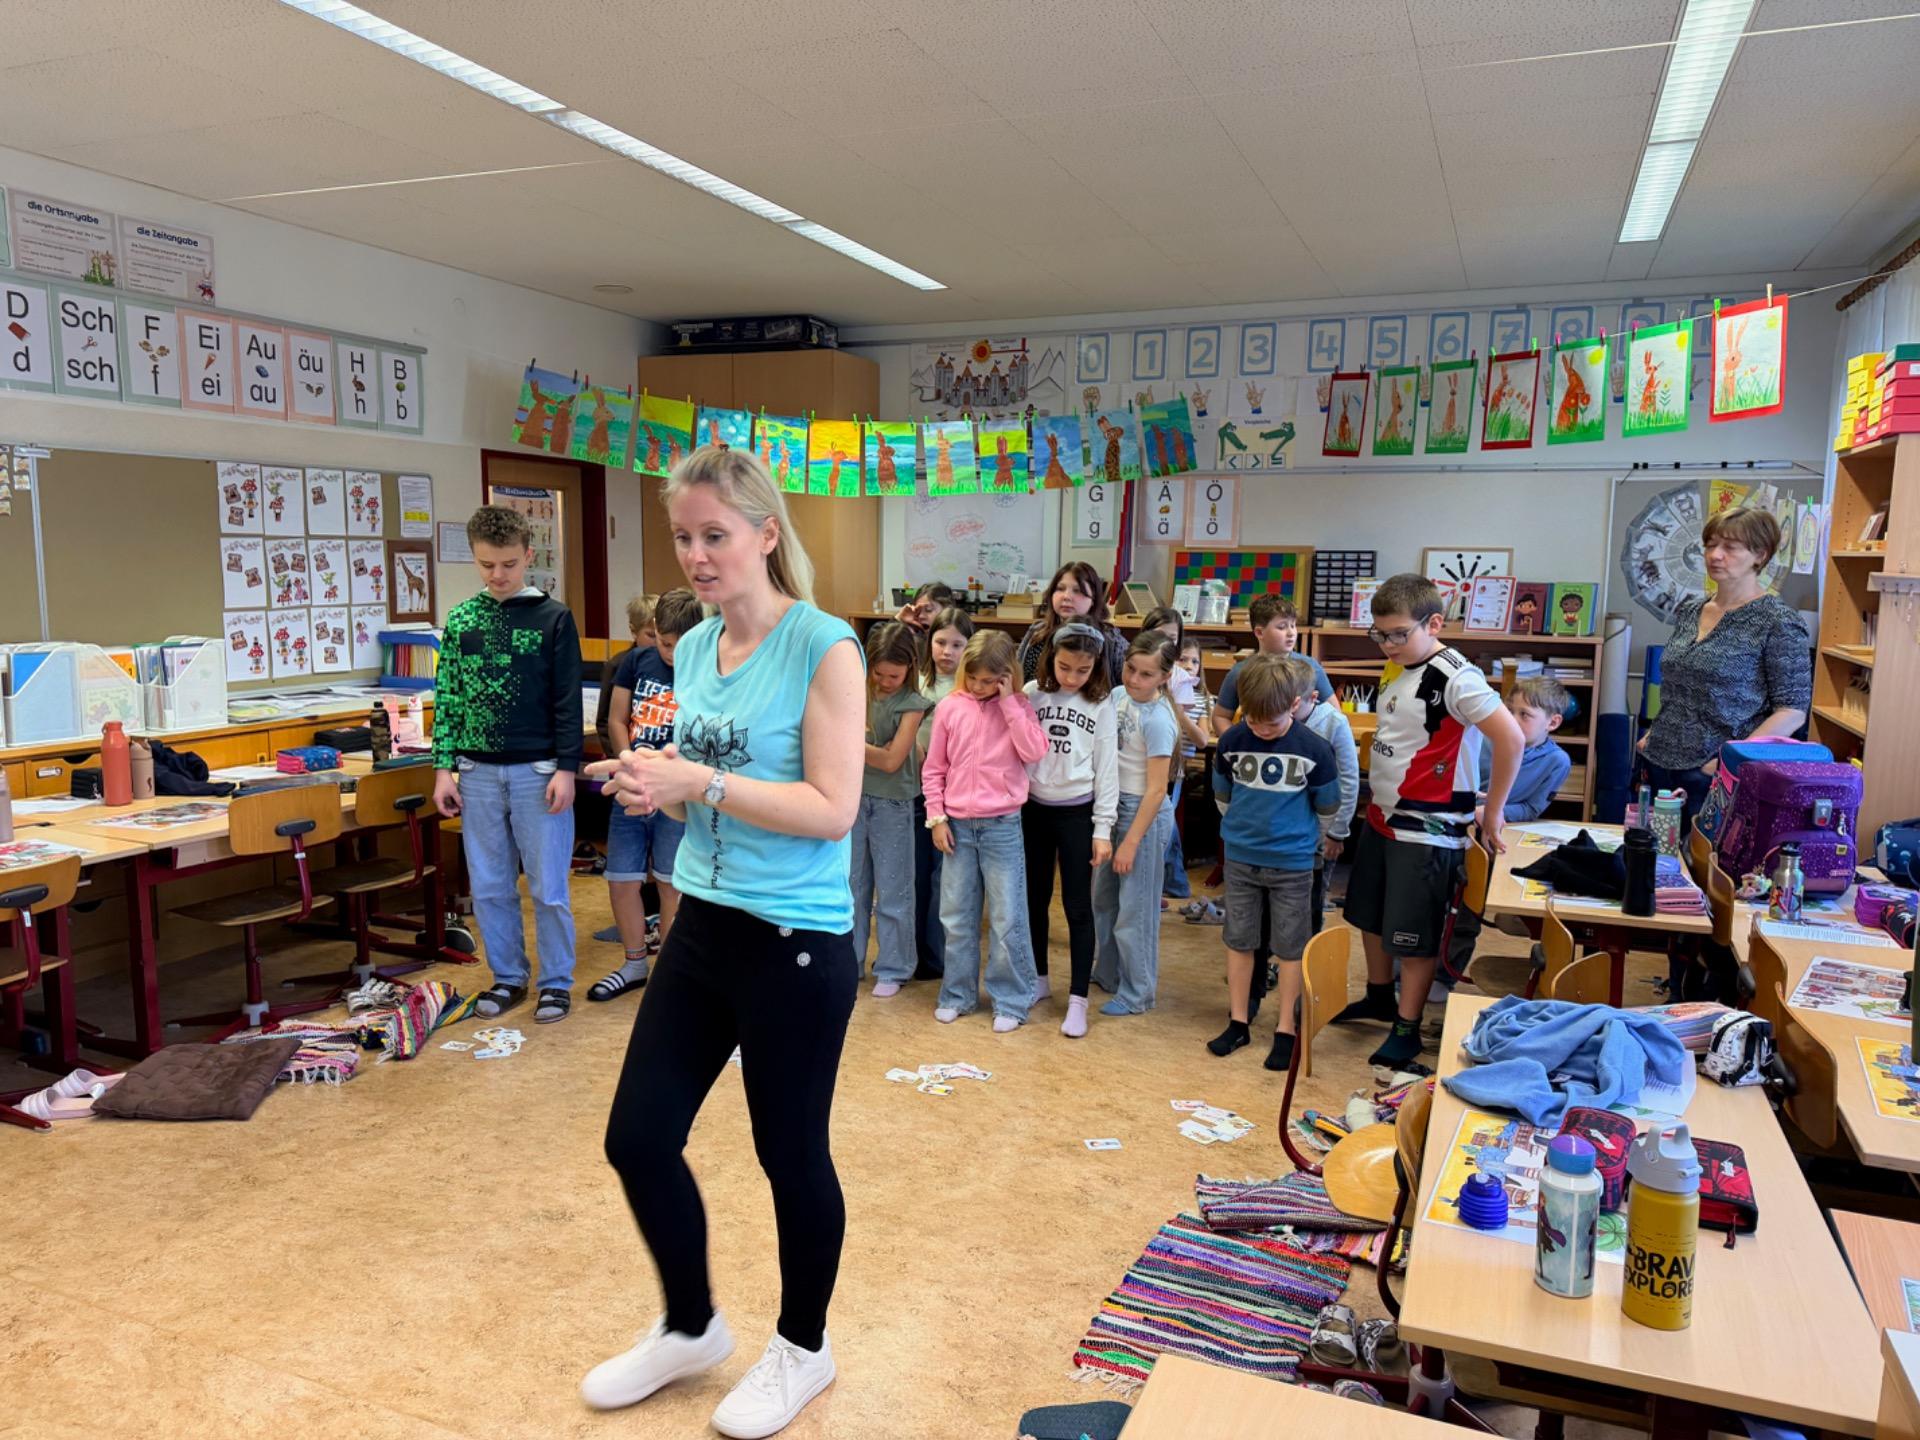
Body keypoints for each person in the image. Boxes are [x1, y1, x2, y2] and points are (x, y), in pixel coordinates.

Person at [581, 446, 865, 1438]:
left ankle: (804, 1347)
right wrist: (647, 776)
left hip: (795, 940)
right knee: (637, 1138)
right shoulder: (694, 647)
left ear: (766, 533)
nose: (697, 555)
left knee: (790, 1154)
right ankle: (692, 1325)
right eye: (682, 537)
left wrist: (694, 781)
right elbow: (681, 771)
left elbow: (832, 808)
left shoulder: (825, 647)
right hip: (701, 924)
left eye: (716, 535)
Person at [1336, 574, 1523, 1070]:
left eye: (1399, 634)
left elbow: (1511, 739)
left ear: (1434, 623)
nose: (1388, 644)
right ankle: (1379, 996)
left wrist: (1494, 810)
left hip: (1427, 830)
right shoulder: (1397, 663)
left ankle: (1407, 1027)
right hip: (1383, 817)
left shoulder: (1457, 678)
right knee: (1370, 916)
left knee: (1413, 935)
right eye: (1379, 634)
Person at [432, 504, 582, 1025]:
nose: (498, 575)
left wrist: (567, 768)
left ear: (528, 556)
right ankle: (508, 977)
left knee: (548, 887)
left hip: (538, 771)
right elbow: (448, 698)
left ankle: (556, 982)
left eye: (509, 565)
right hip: (476, 773)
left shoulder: (553, 618)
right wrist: (443, 768)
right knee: (491, 885)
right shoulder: (462, 620)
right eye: (486, 565)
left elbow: (566, 700)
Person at [1637, 507, 1811, 831]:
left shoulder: (1778, 621)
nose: (1715, 555)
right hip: (1658, 761)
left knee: (1704, 859)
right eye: (1710, 545)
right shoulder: (1691, 610)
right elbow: (1681, 683)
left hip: (1713, 772)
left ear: (1760, 555)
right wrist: (1653, 734)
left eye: (1730, 547)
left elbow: (1792, 711)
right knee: (1654, 856)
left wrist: (1731, 761)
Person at [1208, 654, 1339, 1069]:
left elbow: (1328, 805)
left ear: (1296, 704)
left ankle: (1286, 1028)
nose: (1262, 730)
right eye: (1253, 721)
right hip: (1242, 859)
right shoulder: (1232, 740)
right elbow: (1222, 794)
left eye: (1273, 722)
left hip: (1293, 864)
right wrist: (1243, 830)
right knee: (1239, 940)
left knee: (1290, 946)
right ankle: (1238, 1022)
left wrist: (1301, 839)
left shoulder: (1314, 748)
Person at [922, 630, 1048, 1030]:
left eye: (989, 681)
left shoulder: (1019, 707)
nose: (979, 687)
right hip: (956, 826)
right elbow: (934, 768)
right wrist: (937, 817)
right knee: (956, 916)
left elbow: (1034, 751)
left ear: (1007, 676)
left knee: (1007, 917)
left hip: (1002, 827)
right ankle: (957, 995)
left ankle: (1010, 1000)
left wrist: (1009, 703)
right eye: (974, 678)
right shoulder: (950, 707)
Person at [589, 588, 703, 1003]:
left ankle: (669, 974)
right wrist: (628, 763)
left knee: (672, 884)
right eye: (664, 643)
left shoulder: (705, 669)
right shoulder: (636, 661)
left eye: (679, 646)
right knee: (622, 879)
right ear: (653, 631)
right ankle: (635, 963)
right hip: (632, 788)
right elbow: (617, 720)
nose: (670, 653)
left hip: (677, 795)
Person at [1444, 678, 1576, 982]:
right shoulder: (1484, 738)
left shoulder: (1557, 762)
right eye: (1509, 710)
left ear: (1553, 722)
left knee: (1467, 913)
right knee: (1432, 905)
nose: (1512, 720)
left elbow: (1530, 809)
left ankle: (1444, 977)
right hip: (1453, 828)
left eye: (1524, 714)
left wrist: (1493, 811)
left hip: (1491, 841)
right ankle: (1407, 971)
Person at [1022, 623, 1118, 1038]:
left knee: (1078, 907)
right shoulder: (1032, 693)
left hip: (1078, 814)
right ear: (1050, 659)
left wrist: (1103, 829)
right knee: (1034, 899)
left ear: (1096, 667)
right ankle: (1039, 979)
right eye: (1064, 667)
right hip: (1033, 810)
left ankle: (1078, 998)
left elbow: (1107, 769)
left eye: (1083, 670)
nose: (1072, 677)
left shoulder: (1102, 703)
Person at [1090, 634, 1181, 1016]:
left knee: (1135, 909)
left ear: (1164, 677)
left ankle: (1137, 992)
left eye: (1146, 674)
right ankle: (1108, 972)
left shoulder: (1159, 720)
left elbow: (1157, 790)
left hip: (1141, 813)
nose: (1133, 679)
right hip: (1112, 806)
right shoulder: (1116, 696)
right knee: (1103, 899)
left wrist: (1130, 842)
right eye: (1130, 669)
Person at [854, 622, 932, 997]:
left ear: (909, 669)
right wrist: (869, 749)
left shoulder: (912, 704)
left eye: (894, 676)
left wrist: (850, 743)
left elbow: (891, 761)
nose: (885, 682)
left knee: (893, 888)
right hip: (854, 797)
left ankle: (894, 967)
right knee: (852, 886)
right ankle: (850, 961)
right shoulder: (859, 691)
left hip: (894, 804)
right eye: (879, 674)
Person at [592, 596, 661, 949]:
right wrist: (624, 761)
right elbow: (608, 721)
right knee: (629, 864)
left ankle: (656, 920)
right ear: (634, 632)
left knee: (663, 864)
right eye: (650, 635)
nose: (658, 643)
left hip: (662, 782)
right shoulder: (622, 665)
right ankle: (636, 928)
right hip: (626, 774)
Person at [911, 608, 974, 982]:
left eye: (956, 644)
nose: (947, 651)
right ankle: (917, 953)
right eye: (940, 642)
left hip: (954, 796)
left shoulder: (967, 690)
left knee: (943, 880)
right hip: (916, 792)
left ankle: (938, 957)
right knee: (918, 876)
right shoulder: (919, 682)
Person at [1286, 654, 1359, 933]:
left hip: (1320, 832)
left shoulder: (1334, 723)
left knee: (1311, 901)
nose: (1285, 712)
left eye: (1293, 705)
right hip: (1286, 830)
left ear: (1313, 698)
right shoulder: (1277, 720)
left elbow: (1349, 780)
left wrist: (1337, 832)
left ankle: (1307, 950)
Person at [1211, 595, 1334, 736]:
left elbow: (1334, 715)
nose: (1291, 633)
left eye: (1293, 625)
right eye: (1282, 627)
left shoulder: (1310, 667)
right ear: (1259, 632)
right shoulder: (1241, 671)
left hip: (1302, 745)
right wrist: (1237, 743)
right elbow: (1220, 717)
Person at [1014, 561, 1127, 686]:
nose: (1066, 596)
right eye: (1060, 589)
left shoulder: (1112, 641)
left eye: (1077, 591)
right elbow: (1018, 680)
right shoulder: (1037, 633)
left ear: (1093, 599)